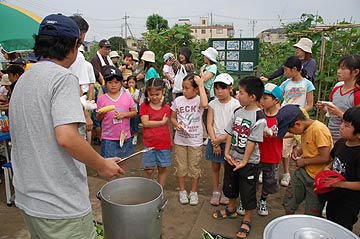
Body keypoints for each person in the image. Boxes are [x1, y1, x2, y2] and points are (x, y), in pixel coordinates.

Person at [9, 14, 124, 239]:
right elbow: (67, 138)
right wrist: (102, 165)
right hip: (59, 204)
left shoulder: (23, 79)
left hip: (28, 197)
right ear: (74, 45)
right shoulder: (63, 78)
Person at [212, 76, 266, 239]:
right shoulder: (238, 111)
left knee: (248, 190)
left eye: (241, 93)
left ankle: (247, 219)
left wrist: (244, 161)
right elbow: (229, 133)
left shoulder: (259, 117)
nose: (238, 95)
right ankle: (231, 209)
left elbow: (252, 141)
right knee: (230, 185)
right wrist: (227, 153)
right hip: (232, 157)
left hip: (249, 162)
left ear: (252, 97)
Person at [276, 104, 333, 216]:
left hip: (317, 177)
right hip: (303, 172)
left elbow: (325, 156)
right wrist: (299, 149)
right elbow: (310, 144)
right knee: (290, 200)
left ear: (298, 124)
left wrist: (304, 161)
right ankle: (288, 220)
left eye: (291, 131)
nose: (292, 133)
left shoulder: (319, 130)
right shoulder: (305, 129)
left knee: (312, 210)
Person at [171, 73, 208, 206]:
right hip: (180, 140)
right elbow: (173, 117)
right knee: (181, 167)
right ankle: (182, 191)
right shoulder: (178, 101)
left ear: (196, 89)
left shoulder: (199, 100)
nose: (184, 91)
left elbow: (205, 103)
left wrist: (201, 84)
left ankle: (193, 192)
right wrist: (176, 125)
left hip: (195, 140)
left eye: (187, 88)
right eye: (183, 88)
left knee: (194, 167)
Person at [279, 55, 316, 187]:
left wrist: (299, 113)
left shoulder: (307, 84)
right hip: (288, 120)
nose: (285, 73)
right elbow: (279, 99)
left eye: (286, 70)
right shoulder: (285, 84)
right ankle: (286, 172)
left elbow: (310, 104)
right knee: (285, 148)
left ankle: (304, 174)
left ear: (294, 69)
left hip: (300, 118)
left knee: (302, 146)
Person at [205, 73, 240, 206]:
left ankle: (226, 191)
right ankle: (215, 190)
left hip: (229, 141)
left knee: (228, 168)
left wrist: (220, 140)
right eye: (217, 88)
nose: (219, 91)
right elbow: (209, 123)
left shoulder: (236, 104)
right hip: (214, 140)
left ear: (230, 88)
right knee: (215, 166)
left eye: (222, 88)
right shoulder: (213, 104)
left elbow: (235, 126)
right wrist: (215, 142)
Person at [325, 107, 360, 231]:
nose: (341, 127)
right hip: (334, 194)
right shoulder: (341, 143)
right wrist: (326, 169)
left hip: (349, 201)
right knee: (330, 220)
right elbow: (334, 160)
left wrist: (340, 184)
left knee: (342, 228)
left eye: (347, 125)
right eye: (342, 123)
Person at [96, 66, 137, 163]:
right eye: (110, 82)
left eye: (116, 82)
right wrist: (102, 113)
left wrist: (124, 115)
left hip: (124, 137)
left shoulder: (127, 96)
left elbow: (134, 112)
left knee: (123, 162)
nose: (113, 85)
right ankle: (112, 179)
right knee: (110, 164)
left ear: (121, 83)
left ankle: (121, 178)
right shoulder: (101, 99)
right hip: (108, 138)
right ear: (105, 84)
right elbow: (98, 118)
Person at [316, 55, 360, 143]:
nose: (339, 71)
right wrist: (325, 108)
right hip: (330, 134)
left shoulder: (357, 94)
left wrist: (338, 112)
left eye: (343, 69)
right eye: (339, 68)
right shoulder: (336, 89)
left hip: (347, 139)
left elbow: (357, 121)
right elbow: (332, 113)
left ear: (355, 72)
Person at [256, 83, 283, 216]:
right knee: (252, 179)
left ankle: (263, 200)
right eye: (261, 97)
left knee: (269, 181)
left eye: (265, 98)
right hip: (256, 154)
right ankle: (248, 200)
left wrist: (279, 133)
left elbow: (292, 132)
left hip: (272, 155)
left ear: (275, 100)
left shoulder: (282, 116)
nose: (261, 101)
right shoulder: (258, 113)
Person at [140, 78, 172, 188]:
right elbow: (145, 123)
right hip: (149, 144)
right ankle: (146, 191)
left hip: (164, 144)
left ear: (163, 91)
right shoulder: (144, 106)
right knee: (148, 170)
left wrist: (171, 142)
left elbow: (169, 125)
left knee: (162, 169)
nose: (154, 97)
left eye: (157, 94)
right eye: (151, 94)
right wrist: (161, 122)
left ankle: (160, 192)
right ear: (147, 93)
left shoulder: (167, 107)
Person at [69, 15, 95, 144]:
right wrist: (86, 116)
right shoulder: (75, 56)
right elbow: (77, 87)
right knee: (78, 142)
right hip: (74, 108)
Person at [126, 75, 140, 145]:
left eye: (133, 83)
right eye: (129, 83)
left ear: (135, 83)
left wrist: (133, 99)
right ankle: (129, 136)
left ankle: (135, 136)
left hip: (135, 111)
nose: (131, 84)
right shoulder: (125, 91)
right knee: (128, 124)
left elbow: (138, 101)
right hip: (127, 111)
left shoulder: (137, 91)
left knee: (135, 124)